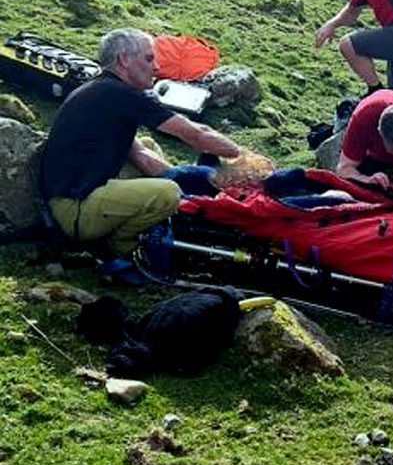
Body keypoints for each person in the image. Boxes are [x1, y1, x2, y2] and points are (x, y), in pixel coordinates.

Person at [39, 28, 243, 284]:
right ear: (124, 60)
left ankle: (165, 217)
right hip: (74, 211)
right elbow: (195, 134)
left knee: (146, 147)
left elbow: (142, 155)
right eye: (148, 59)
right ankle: (118, 249)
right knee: (167, 192)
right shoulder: (121, 94)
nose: (157, 67)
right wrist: (241, 156)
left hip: (66, 199)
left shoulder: (101, 89)